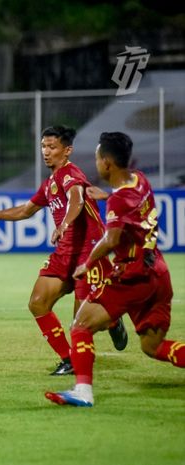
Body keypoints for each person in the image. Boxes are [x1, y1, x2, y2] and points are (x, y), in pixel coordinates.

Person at [0, 126, 126, 375]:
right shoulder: (50, 183)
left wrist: (64, 223)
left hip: (88, 254)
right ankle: (69, 360)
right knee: (37, 302)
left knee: (80, 325)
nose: (46, 151)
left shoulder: (69, 174)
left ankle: (113, 318)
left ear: (67, 151)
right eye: (43, 146)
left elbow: (77, 199)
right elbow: (25, 211)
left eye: (52, 147)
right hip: (65, 254)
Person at [46, 132, 184, 407]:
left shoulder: (118, 201)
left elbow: (111, 240)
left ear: (107, 163)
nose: (95, 162)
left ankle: (83, 391)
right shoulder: (139, 181)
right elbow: (128, 206)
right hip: (158, 272)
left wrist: (87, 263)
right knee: (152, 347)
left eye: (97, 157)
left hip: (132, 276)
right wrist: (108, 195)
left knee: (80, 324)